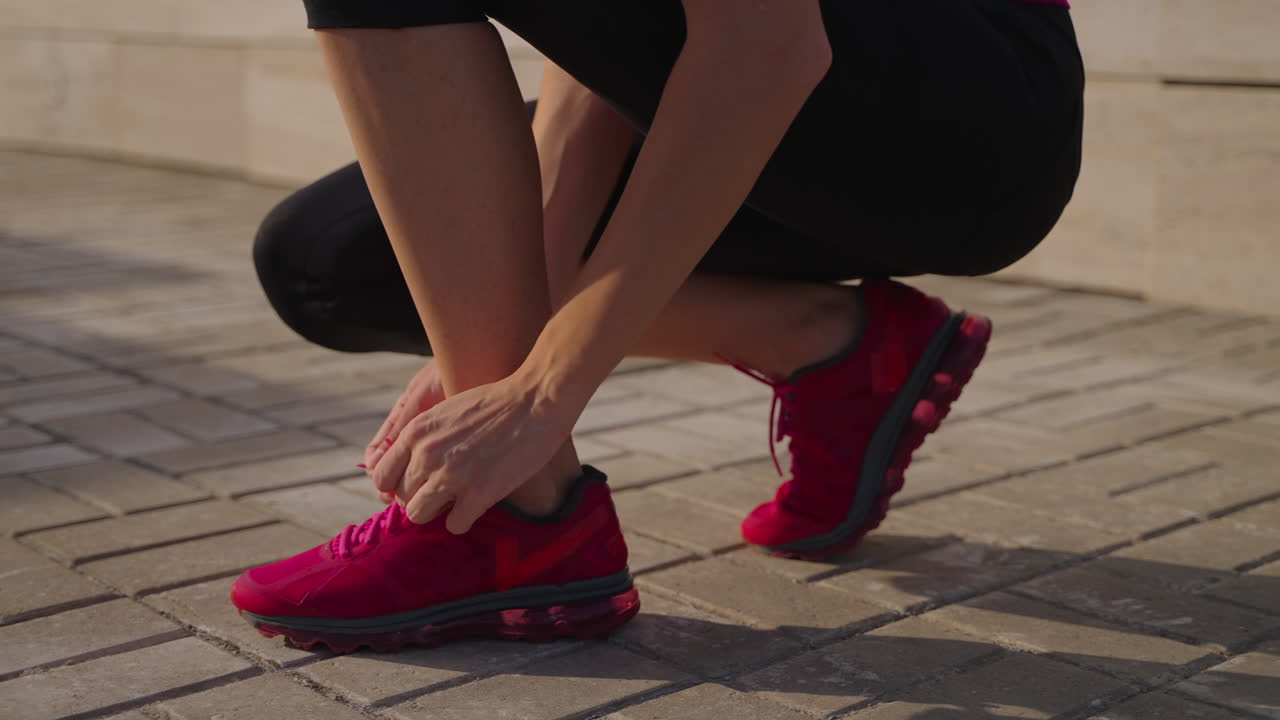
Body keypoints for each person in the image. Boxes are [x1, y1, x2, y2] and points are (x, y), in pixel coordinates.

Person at [232, 0, 1083, 653]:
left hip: (964, 112)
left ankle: (518, 523)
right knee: (331, 264)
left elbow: (765, 43)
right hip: (787, 94)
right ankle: (832, 345)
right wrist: (496, 359)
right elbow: (610, 54)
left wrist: (542, 390)